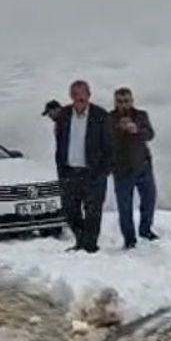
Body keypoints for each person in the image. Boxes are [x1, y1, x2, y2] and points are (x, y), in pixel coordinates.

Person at [53, 80, 114, 252]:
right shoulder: (64, 115)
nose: (79, 98)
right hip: (69, 172)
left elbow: (109, 145)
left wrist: (104, 170)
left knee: (93, 211)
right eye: (75, 94)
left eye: (82, 94)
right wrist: (61, 168)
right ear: (71, 96)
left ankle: (90, 245)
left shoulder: (100, 115)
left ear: (89, 95)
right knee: (70, 210)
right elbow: (60, 141)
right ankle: (81, 240)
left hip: (93, 173)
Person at [110, 88, 157, 249]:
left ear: (132, 101)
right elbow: (104, 141)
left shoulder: (141, 115)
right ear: (115, 102)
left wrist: (136, 129)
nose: (123, 104)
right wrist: (118, 129)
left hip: (142, 166)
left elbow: (150, 134)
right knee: (125, 207)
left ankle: (145, 229)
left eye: (126, 101)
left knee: (149, 200)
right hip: (122, 170)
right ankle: (129, 239)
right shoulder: (109, 119)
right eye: (120, 101)